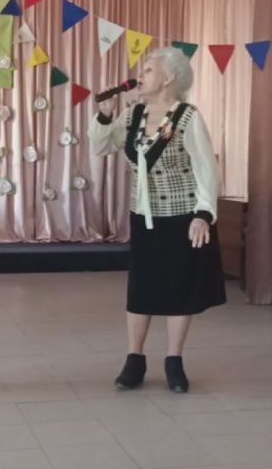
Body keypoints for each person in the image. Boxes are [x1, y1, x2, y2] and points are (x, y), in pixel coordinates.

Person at [88, 46, 225, 393]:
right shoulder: (133, 114)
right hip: (144, 216)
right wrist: (104, 115)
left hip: (181, 217)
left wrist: (203, 214)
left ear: (168, 78)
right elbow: (101, 147)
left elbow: (206, 169)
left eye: (148, 70)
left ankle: (174, 360)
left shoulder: (187, 117)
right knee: (141, 287)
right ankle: (134, 359)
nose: (140, 76)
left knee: (179, 289)